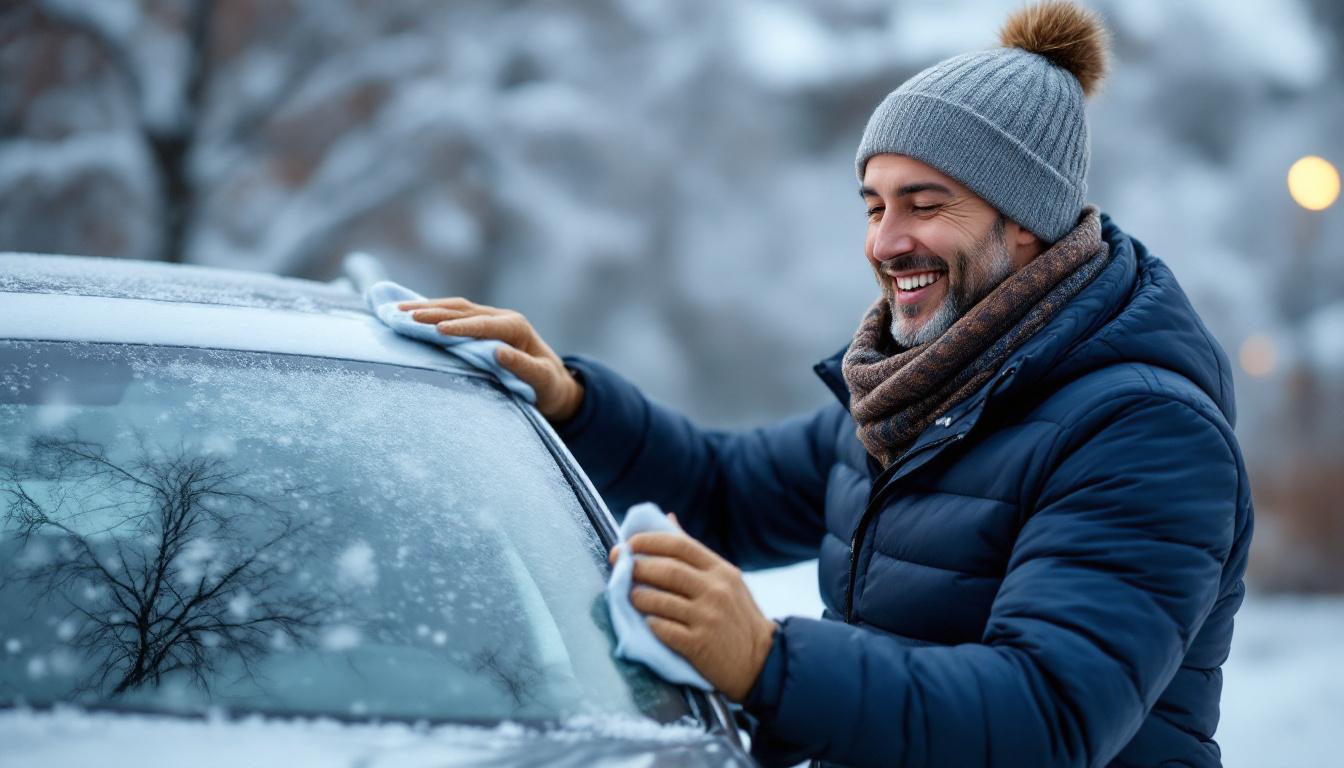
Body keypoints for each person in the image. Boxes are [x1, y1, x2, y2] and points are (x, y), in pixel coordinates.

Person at [400, 2, 1253, 765]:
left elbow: (1049, 715)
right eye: (874, 205)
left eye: (925, 203)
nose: (885, 243)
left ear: (1025, 221)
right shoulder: (915, 394)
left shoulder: (1144, 431)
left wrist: (770, 663)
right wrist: (575, 404)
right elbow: (724, 491)